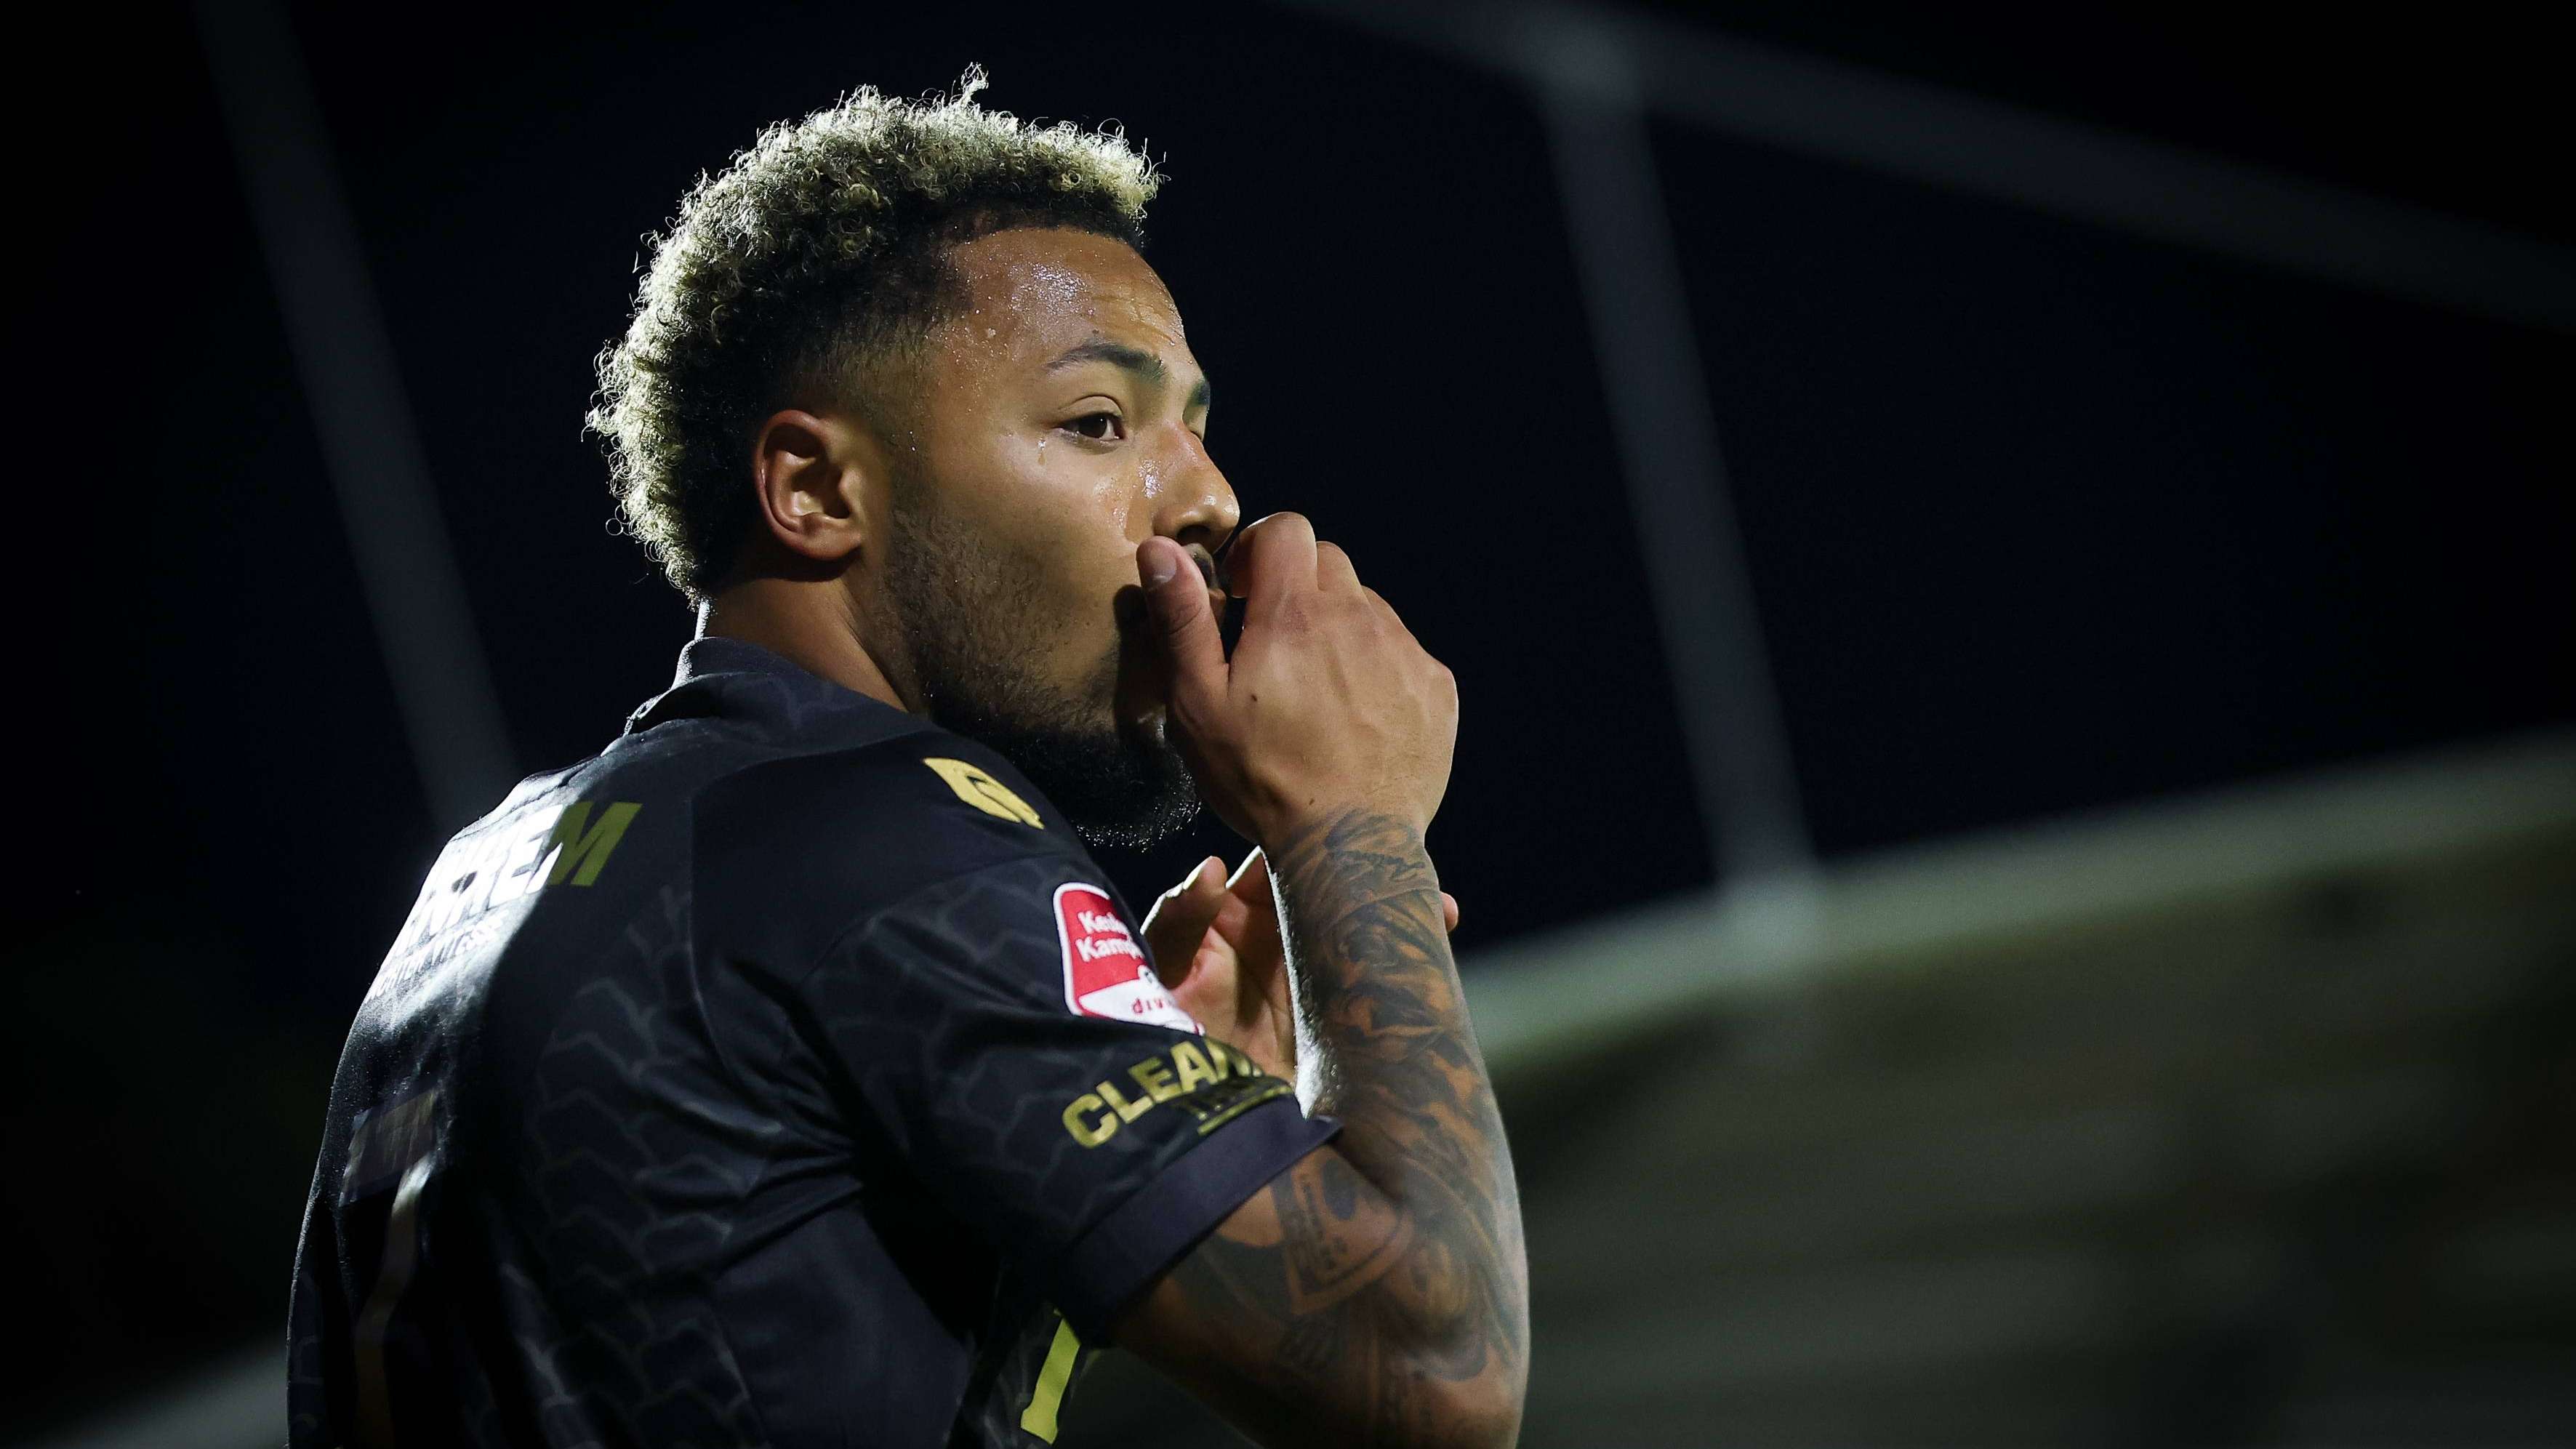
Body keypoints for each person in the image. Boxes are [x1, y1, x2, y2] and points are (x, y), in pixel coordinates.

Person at [288, 72, 1526, 1448]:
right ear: (816, 490)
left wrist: (1137, 1137)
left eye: (1194, 426)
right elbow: (1437, 1374)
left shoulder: (486, 877)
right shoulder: (885, 832)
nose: (1208, 497)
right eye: (1098, 423)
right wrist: (1353, 826)